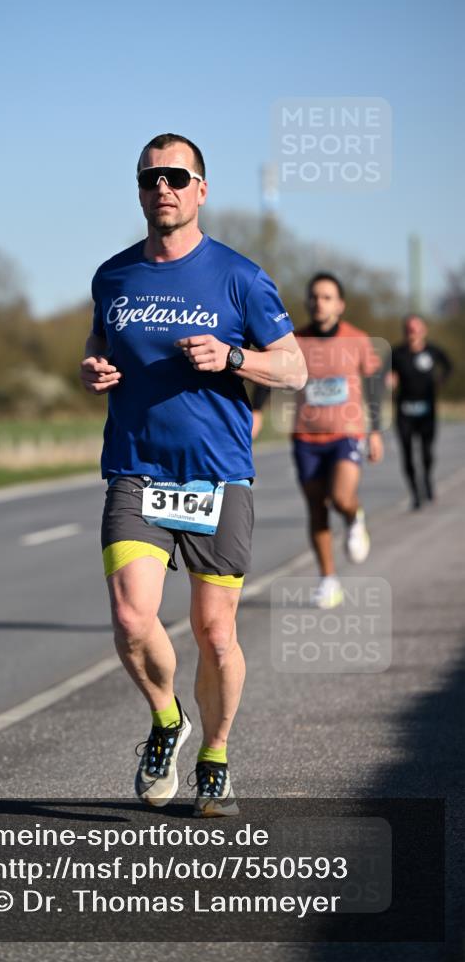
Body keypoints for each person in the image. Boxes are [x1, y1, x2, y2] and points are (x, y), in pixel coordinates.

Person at [80, 133, 306, 817]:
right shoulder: (112, 276)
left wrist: (234, 358)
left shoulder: (239, 276)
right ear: (139, 190)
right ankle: (165, 720)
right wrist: (93, 366)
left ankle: (216, 755)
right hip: (136, 468)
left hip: (217, 474)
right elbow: (100, 339)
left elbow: (294, 367)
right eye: (150, 178)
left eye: (176, 177)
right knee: (131, 616)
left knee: (215, 633)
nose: (163, 188)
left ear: (201, 190)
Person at [252, 273, 384, 609]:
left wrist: (375, 431)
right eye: (314, 297)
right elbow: (270, 372)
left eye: (326, 297)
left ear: (340, 305)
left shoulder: (357, 339)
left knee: (340, 496)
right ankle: (328, 579)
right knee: (315, 506)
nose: (319, 303)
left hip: (346, 433)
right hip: (306, 436)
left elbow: (374, 384)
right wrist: (256, 410)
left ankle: (354, 517)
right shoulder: (295, 340)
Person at [390, 314, 452, 509]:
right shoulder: (396, 354)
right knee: (407, 453)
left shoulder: (433, 351)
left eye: (416, 329)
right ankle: (415, 493)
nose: (413, 332)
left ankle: (427, 479)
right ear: (405, 332)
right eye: (409, 329)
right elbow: (386, 374)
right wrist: (390, 381)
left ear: (424, 331)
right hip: (404, 411)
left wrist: (441, 379)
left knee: (426, 452)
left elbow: (448, 366)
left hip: (427, 410)